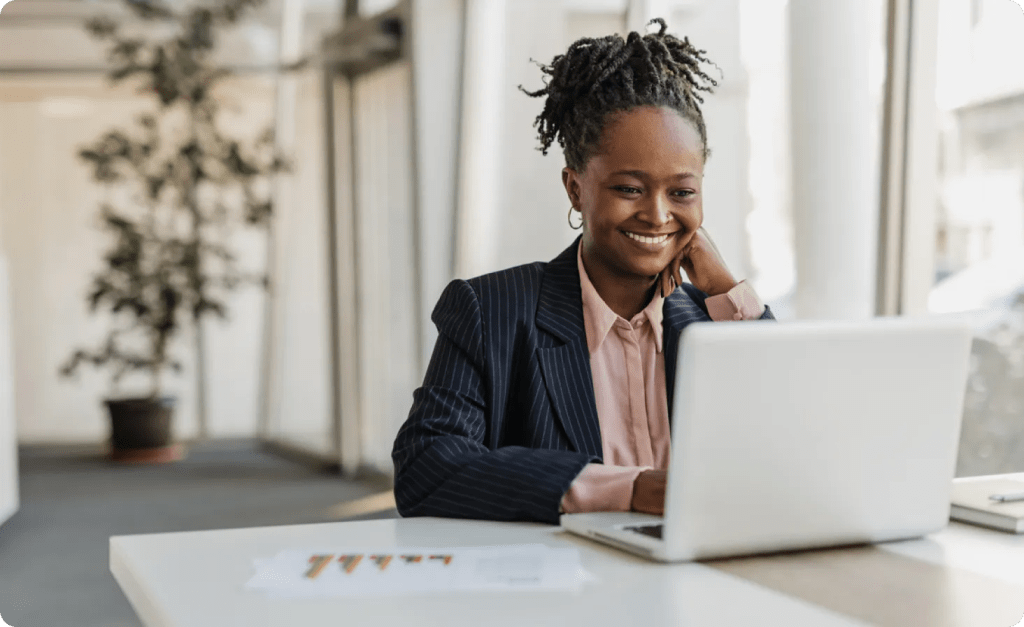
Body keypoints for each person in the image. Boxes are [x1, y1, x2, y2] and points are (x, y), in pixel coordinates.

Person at [392, 18, 773, 524]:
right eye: (629, 189)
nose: (658, 215)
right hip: (563, 590)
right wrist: (631, 489)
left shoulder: (716, 321)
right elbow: (426, 469)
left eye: (681, 192)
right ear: (575, 188)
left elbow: (801, 446)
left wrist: (728, 290)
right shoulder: (492, 312)